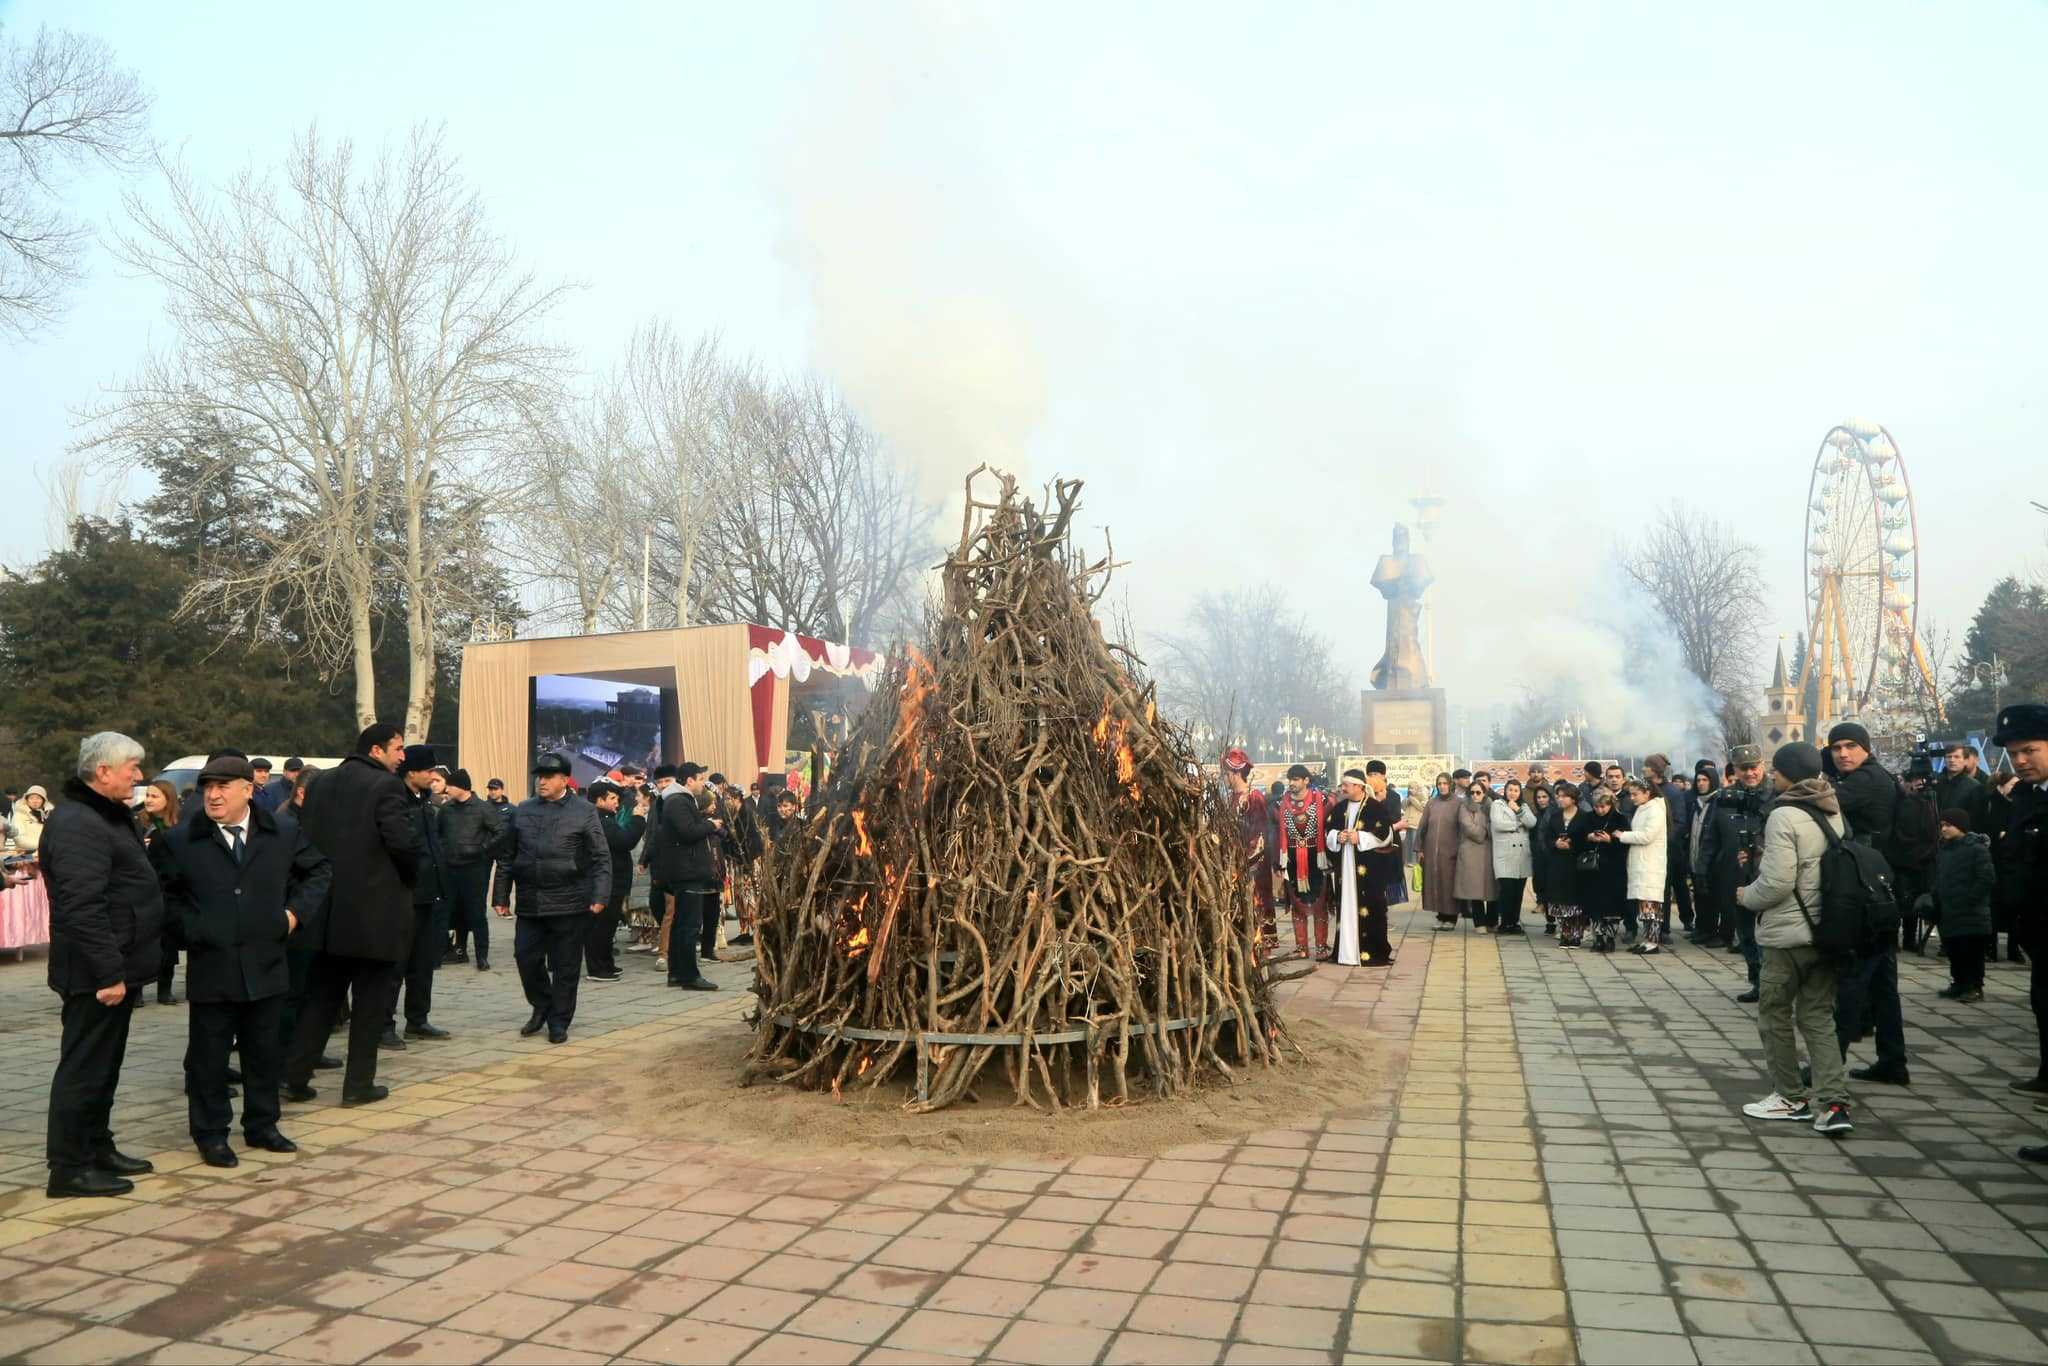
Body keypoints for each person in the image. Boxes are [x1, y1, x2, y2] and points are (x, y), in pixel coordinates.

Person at [152, 755, 330, 1168]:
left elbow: (318, 871)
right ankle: (211, 1133)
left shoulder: (282, 831)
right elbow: (163, 896)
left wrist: (293, 915)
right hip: (212, 965)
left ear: (248, 790)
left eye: (223, 787)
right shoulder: (180, 840)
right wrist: (193, 930)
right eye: (208, 786)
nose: (213, 795)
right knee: (209, 1057)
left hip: (266, 960)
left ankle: (262, 1124)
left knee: (264, 1050)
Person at [40, 732, 160, 1198]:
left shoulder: (105, 816)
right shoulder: (78, 823)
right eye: (131, 765)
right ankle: (68, 1168)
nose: (138, 774)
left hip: (116, 965)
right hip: (96, 972)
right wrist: (110, 973)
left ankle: (96, 1145)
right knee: (84, 1068)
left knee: (104, 1065)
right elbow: (81, 905)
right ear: (102, 771)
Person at [283, 723, 420, 1109]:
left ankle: (294, 1077)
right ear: (376, 750)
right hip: (373, 915)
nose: (403, 756)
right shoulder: (387, 787)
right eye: (398, 748)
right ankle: (358, 1084)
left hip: (325, 914)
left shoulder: (321, 783)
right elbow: (402, 844)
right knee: (370, 1003)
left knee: (321, 1000)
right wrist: (409, 881)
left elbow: (305, 842)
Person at [1737, 740, 1853, 1136]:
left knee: (1774, 1014)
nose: (1771, 776)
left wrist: (1745, 896)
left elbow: (1776, 883)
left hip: (1789, 934)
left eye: (1776, 770)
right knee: (1818, 1016)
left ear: (1787, 773)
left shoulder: (1784, 814)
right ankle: (1833, 1103)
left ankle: (1789, 1096)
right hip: (1829, 930)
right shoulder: (1832, 807)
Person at [494, 753, 611, 1043]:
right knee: (525, 958)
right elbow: (507, 856)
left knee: (566, 965)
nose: (541, 781)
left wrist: (600, 893)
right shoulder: (523, 810)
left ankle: (559, 1020)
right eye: (539, 776)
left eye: (548, 776)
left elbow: (600, 856)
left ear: (564, 780)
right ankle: (542, 1004)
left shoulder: (583, 811)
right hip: (531, 901)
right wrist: (501, 895)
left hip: (570, 901)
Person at [1823, 722, 1908, 1088]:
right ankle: (1892, 1060)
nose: (1843, 753)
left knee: (1851, 981)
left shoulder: (1864, 780)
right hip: (1882, 893)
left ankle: (1829, 1067)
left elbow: (1824, 802)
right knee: (1883, 985)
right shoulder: (1876, 776)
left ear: (1866, 748)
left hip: (1865, 897)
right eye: (1837, 747)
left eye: (1851, 746)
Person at [1988, 705, 2048, 1164]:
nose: (2021, 761)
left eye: (2030, 749)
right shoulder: (2028, 797)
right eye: (2014, 753)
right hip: (2037, 934)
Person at [390, 746, 452, 1044]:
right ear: (411, 772)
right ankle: (382, 1026)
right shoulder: (395, 803)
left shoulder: (426, 802)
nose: (433, 776)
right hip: (403, 897)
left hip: (430, 895)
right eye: (428, 771)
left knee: (423, 963)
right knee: (394, 966)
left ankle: (417, 1020)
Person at [1699, 745, 1770, 999]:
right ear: (1735, 770)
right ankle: (1756, 981)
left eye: (1754, 767)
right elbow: (1710, 838)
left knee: (1765, 933)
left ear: (1762, 765)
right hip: (1734, 873)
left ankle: (1769, 984)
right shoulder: (1726, 797)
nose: (1750, 773)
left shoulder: (1776, 795)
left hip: (1766, 875)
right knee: (1746, 932)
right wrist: (1702, 869)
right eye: (1744, 769)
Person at [652, 762, 722, 992]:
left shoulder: (677, 800)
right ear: (689, 780)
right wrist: (710, 824)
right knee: (689, 926)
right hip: (687, 871)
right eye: (700, 779)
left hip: (685, 870)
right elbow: (688, 832)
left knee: (682, 925)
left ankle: (677, 973)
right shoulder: (677, 801)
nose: (703, 783)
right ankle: (690, 975)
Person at [1323, 764, 1402, 967]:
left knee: (1373, 908)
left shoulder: (1375, 808)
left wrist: (1361, 837)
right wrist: (1337, 836)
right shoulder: (1339, 809)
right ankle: (1345, 953)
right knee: (1345, 907)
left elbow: (1385, 835)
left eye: (1346, 785)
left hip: (1370, 872)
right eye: (1342, 785)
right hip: (1345, 870)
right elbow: (1329, 831)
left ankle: (1374, 952)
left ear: (1359, 786)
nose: (1342, 789)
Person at [585, 779, 645, 980]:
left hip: (613, 881)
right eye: (612, 798)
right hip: (606, 882)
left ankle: (606, 963)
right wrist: (638, 819)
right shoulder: (600, 821)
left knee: (608, 926)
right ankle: (597, 968)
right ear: (599, 801)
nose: (616, 803)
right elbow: (625, 840)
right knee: (601, 927)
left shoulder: (605, 818)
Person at [437, 769, 496, 971]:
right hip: (450, 868)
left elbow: (501, 832)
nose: (446, 789)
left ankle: (482, 956)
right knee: (446, 912)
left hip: (474, 870)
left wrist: (484, 849)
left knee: (477, 913)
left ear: (460, 787)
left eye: (449, 785)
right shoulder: (446, 810)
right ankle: (446, 952)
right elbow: (438, 835)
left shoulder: (483, 809)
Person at [1933, 808, 1993, 1002]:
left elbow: (1986, 877)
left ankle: (1974, 987)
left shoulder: (1976, 848)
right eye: (1942, 825)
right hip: (1949, 909)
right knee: (1954, 949)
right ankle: (1959, 983)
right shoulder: (1944, 849)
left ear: (1961, 827)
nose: (1944, 829)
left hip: (1971, 910)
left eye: (1948, 825)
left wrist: (1971, 899)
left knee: (1972, 951)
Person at [1273, 764, 1331, 960]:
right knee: (1297, 902)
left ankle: (1321, 946)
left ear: (1306, 780)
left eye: (1296, 779)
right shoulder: (1282, 802)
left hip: (1317, 855)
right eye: (1290, 779)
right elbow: (1277, 832)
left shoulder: (1322, 800)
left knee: (1320, 902)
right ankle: (1301, 947)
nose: (1291, 783)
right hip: (1291, 857)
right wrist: (1278, 861)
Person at [1220, 749, 1274, 954]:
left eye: (1226, 773)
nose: (1224, 777)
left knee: (1257, 900)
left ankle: (1261, 944)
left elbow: (1260, 834)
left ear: (1235, 774)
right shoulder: (1230, 798)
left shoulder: (1254, 797)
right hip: (1233, 861)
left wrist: (1246, 860)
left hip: (1253, 862)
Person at [136, 781, 183, 1006]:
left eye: (155, 796)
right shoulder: (137, 822)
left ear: (168, 799)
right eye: (147, 795)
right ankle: (135, 991)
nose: (148, 799)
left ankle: (165, 989)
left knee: (168, 944)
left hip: (168, 892)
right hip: (142, 891)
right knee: (140, 941)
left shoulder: (177, 826)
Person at [1889, 758, 1942, 953]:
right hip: (1909, 859)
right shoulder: (1907, 802)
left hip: (1916, 860)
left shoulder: (1921, 801)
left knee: (1908, 902)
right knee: (1903, 901)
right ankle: (1903, 940)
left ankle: (1906, 940)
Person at [1614, 775, 1670, 953]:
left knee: (1651, 905)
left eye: (1635, 794)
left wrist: (1622, 836)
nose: (1632, 798)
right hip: (1641, 863)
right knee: (1644, 907)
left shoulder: (1655, 811)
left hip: (1650, 864)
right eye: (1630, 794)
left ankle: (1653, 942)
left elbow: (1647, 836)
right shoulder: (1643, 808)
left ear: (1647, 793)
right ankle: (1647, 939)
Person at [1647, 754, 1693, 936]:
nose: (1644, 770)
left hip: (1670, 849)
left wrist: (1664, 840)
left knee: (1673, 886)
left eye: (1646, 766)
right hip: (1651, 847)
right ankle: (1656, 923)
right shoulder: (1647, 789)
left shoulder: (1672, 793)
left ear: (1654, 770)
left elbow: (1680, 822)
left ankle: (1672, 924)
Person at [1580, 788, 1631, 952]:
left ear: (1611, 804)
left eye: (1603, 806)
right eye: (1597, 806)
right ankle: (1598, 938)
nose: (1599, 810)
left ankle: (1610, 938)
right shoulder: (1588, 818)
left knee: (1613, 907)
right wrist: (1588, 838)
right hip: (1593, 869)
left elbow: (1626, 844)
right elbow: (1578, 837)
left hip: (1614, 869)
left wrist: (1610, 840)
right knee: (1595, 906)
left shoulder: (1620, 819)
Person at [1488, 778, 1536, 935]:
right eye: (1510, 790)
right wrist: (1517, 825)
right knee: (1506, 890)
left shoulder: (1523, 806)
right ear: (1505, 791)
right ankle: (1505, 922)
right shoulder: (1497, 804)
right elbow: (1498, 824)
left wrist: (1518, 811)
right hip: (1505, 854)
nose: (1513, 793)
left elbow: (1532, 822)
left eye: (1516, 790)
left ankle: (1514, 922)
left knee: (1518, 891)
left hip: (1522, 855)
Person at [1416, 772, 1461, 931]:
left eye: (1445, 783)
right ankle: (1440, 916)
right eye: (1439, 783)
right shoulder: (1431, 803)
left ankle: (1451, 918)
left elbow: (1463, 828)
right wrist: (1419, 848)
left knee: (1448, 884)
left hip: (1451, 851)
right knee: (1435, 882)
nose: (1442, 786)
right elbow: (1422, 827)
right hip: (1431, 851)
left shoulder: (1458, 803)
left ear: (1450, 784)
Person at [1686, 763, 1724, 944]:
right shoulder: (1696, 803)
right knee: (1700, 898)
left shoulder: (1718, 803)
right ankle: (1703, 929)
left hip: (1712, 862)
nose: (1700, 783)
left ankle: (1716, 933)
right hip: (1695, 859)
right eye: (1698, 780)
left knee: (1713, 898)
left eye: (1705, 780)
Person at [1454, 777, 1497, 931]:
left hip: (1490, 851)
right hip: (1471, 851)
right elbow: (1467, 826)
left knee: (1493, 889)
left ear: (1484, 793)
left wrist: (1488, 832)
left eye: (1478, 792)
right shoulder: (1464, 807)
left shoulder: (1492, 806)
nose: (1475, 795)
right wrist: (1484, 832)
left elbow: (1496, 825)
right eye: (1472, 792)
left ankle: (1492, 922)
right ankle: (1479, 923)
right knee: (1475, 889)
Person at [1547, 784, 1585, 945]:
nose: (1560, 799)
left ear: (1573, 798)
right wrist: (1555, 843)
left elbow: (1586, 839)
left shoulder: (1584, 816)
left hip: (1576, 864)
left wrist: (1573, 844)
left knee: (1575, 901)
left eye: (1564, 796)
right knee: (1560, 900)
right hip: (1558, 863)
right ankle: (1564, 932)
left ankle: (1576, 934)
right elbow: (1546, 837)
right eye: (1558, 796)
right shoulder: (1555, 816)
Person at [1526, 783, 1555, 931]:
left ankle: (1554, 922)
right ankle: (1550, 922)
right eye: (1538, 797)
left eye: (1544, 797)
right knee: (1541, 888)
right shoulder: (1536, 815)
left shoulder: (1556, 814)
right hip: (1539, 857)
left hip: (1552, 857)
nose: (1541, 800)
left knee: (1552, 890)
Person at [11, 783, 49, 854]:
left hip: (48, 855)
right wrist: (44, 845)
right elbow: (19, 838)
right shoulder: (19, 815)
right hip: (25, 856)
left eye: (38, 798)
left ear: (43, 800)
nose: (35, 801)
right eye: (31, 798)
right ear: (27, 800)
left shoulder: (49, 815)